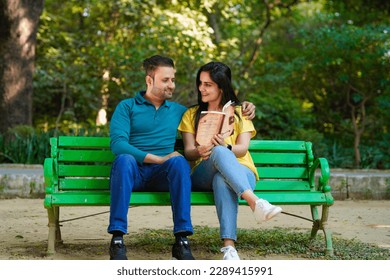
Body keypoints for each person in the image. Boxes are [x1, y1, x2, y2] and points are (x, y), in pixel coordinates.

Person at [108, 55, 256, 260]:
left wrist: (246, 106)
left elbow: (215, 109)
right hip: (133, 172)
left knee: (178, 161)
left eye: (173, 79)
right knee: (124, 159)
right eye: (166, 80)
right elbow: (118, 144)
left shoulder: (179, 111)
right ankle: (117, 239)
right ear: (149, 80)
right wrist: (158, 158)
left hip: (163, 175)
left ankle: (182, 240)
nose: (172, 85)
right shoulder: (127, 107)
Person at [178, 62, 282, 260]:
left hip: (243, 173)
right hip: (203, 172)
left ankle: (229, 248)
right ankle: (255, 203)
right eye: (200, 83)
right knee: (217, 155)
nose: (201, 88)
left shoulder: (240, 112)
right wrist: (200, 150)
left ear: (221, 87)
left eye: (208, 84)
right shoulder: (191, 114)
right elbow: (189, 152)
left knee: (221, 178)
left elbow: (242, 149)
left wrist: (225, 146)